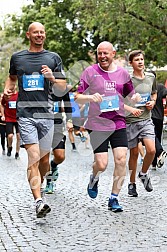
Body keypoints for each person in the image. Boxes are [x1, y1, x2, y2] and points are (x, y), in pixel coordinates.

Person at [3, 22, 66, 218]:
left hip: (46, 115)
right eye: (36, 32)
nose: (39, 35)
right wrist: (8, 88)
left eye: (42, 32)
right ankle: (38, 201)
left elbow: (63, 87)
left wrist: (52, 77)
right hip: (26, 115)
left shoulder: (53, 58)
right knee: (34, 156)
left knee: (45, 161)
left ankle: (46, 177)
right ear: (28, 35)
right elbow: (12, 78)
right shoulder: (18, 58)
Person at [75, 41, 138, 212]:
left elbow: (130, 95)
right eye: (99, 53)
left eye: (106, 53)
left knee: (121, 159)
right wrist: (90, 98)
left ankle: (114, 198)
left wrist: (136, 98)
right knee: (101, 164)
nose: (102, 56)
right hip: (97, 124)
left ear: (113, 54)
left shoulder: (123, 73)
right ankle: (94, 177)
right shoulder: (90, 72)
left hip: (118, 122)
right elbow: (77, 97)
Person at [125, 50, 157, 197]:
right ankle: (132, 184)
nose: (140, 62)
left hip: (146, 119)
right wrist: (131, 102)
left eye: (142, 59)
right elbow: (121, 99)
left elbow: (154, 92)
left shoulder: (151, 76)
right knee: (134, 154)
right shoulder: (127, 80)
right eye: (136, 59)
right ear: (131, 63)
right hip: (130, 121)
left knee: (151, 150)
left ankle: (143, 173)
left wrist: (153, 101)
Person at [45, 90, 73, 194]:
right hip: (42, 123)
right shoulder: (40, 83)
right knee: (44, 156)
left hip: (57, 124)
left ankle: (54, 165)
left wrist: (69, 121)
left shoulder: (60, 86)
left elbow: (67, 105)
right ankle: (49, 181)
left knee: (60, 156)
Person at [151, 82, 167, 169]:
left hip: (149, 116)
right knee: (157, 137)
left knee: (151, 137)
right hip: (159, 116)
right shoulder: (160, 86)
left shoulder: (147, 86)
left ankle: (159, 153)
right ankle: (155, 162)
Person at [1, 90, 20, 159]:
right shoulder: (6, 95)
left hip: (18, 118)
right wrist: (3, 115)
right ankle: (9, 146)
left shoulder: (19, 94)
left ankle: (17, 152)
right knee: (10, 136)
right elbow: (2, 104)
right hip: (9, 118)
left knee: (19, 136)